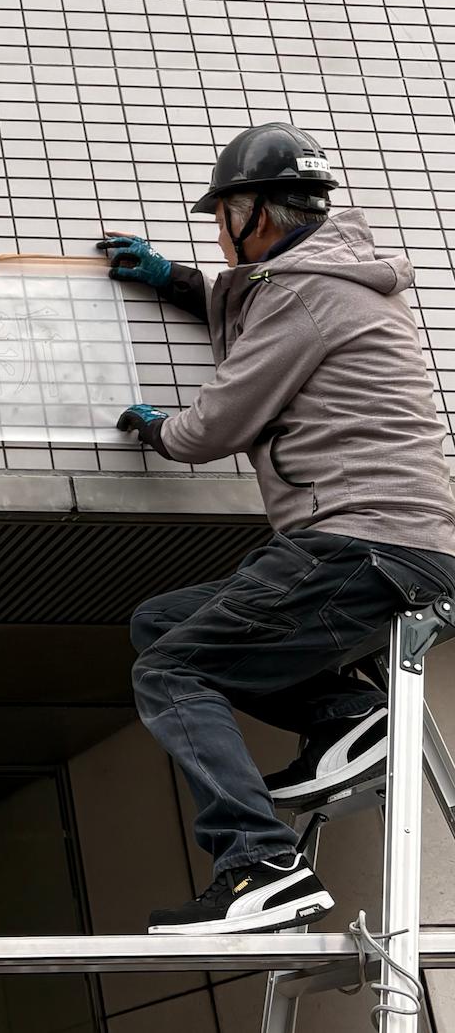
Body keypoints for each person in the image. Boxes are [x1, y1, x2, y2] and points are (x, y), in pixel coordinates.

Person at [101, 122, 455, 935]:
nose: (218, 233)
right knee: (162, 621)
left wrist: (154, 429)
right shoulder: (324, 284)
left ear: (252, 212)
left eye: (220, 215)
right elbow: (267, 320)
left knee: (171, 670)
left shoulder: (301, 294)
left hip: (358, 544)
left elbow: (210, 429)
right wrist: (179, 283)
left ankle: (259, 866)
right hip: (389, 545)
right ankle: (347, 719)